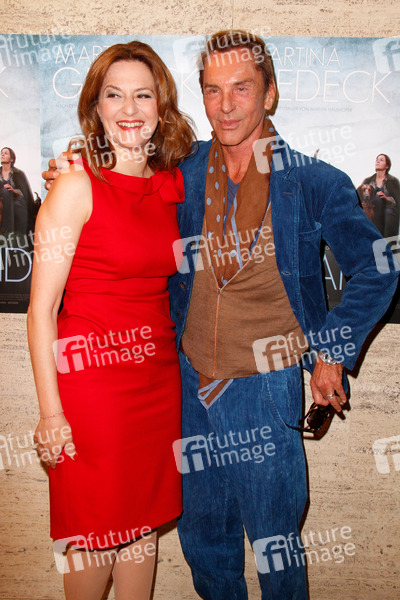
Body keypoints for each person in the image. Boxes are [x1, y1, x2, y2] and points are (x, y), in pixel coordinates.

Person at [43, 31, 399, 600]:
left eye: (242, 88)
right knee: (204, 545)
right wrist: (73, 165)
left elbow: (379, 268)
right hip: (185, 387)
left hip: (265, 389)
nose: (226, 104)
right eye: (212, 90)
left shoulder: (314, 181)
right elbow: (123, 179)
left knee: (276, 550)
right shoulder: (182, 171)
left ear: (270, 93)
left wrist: (331, 350)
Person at [28, 41, 194, 600]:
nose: (129, 108)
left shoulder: (169, 185)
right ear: (95, 107)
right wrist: (51, 413)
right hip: (92, 390)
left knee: (142, 528)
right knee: (95, 534)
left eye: (143, 95)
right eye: (114, 94)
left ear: (160, 106)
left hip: (156, 385)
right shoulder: (75, 186)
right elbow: (41, 309)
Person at [357, 153, 400, 238]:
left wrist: (387, 198)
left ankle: (387, 242)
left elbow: (398, 200)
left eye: (381, 160)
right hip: (372, 209)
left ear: (387, 166)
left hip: (388, 209)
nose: (377, 162)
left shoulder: (393, 181)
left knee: (389, 213)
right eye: (377, 160)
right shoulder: (368, 180)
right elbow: (360, 196)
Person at [0, 146, 36, 234]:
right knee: (5, 191)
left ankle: (11, 233)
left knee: (17, 206)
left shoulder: (19, 174)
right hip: (1, 200)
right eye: (1, 153)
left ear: (11, 159)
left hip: (16, 200)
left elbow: (25, 194)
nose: (2, 155)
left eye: (6, 153)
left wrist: (14, 191)